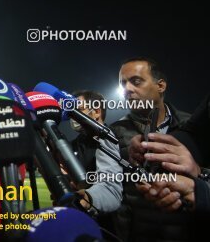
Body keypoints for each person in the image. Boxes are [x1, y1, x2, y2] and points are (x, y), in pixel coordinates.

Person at [110, 57, 194, 241]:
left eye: (136, 81)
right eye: (123, 84)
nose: (127, 89)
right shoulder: (113, 132)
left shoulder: (192, 126)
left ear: (161, 86)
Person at [70, 91, 122, 215]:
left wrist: (88, 198)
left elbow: (111, 188)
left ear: (97, 112)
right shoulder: (76, 143)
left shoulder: (112, 139)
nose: (73, 117)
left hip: (108, 225)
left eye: (79, 110)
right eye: (71, 112)